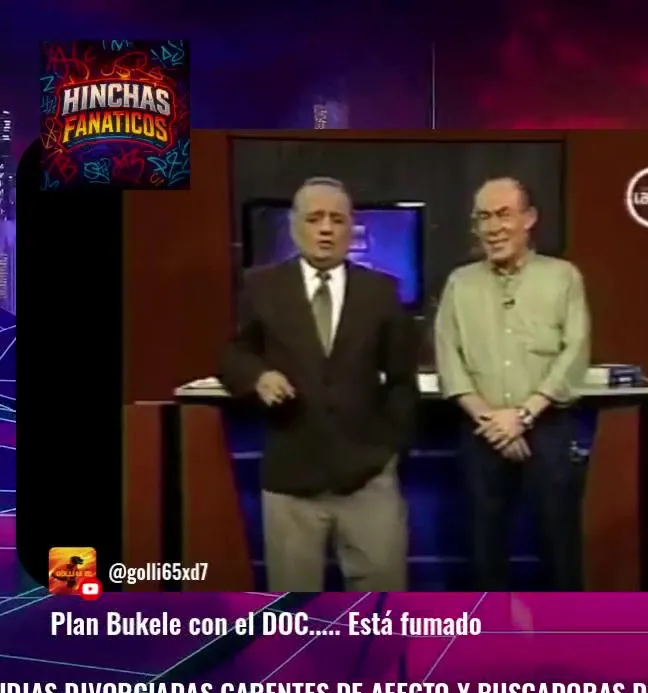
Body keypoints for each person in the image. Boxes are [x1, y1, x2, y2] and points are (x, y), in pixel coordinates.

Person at [219, 177, 418, 592]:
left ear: (351, 228)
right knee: (294, 606)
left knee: (381, 606)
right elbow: (234, 355)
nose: (326, 229)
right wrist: (259, 376)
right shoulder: (261, 286)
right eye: (314, 219)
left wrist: (388, 451)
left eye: (337, 219)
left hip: (367, 477)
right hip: (292, 474)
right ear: (294, 226)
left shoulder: (382, 291)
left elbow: (402, 380)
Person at [434, 177, 590, 591]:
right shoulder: (460, 283)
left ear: (529, 218)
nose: (493, 227)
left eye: (503, 214)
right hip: (482, 431)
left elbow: (575, 352)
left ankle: (568, 628)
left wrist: (522, 416)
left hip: (548, 428)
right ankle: (489, 628)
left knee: (560, 546)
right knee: (483, 549)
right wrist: (493, 423)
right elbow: (449, 359)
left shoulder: (563, 277)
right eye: (483, 217)